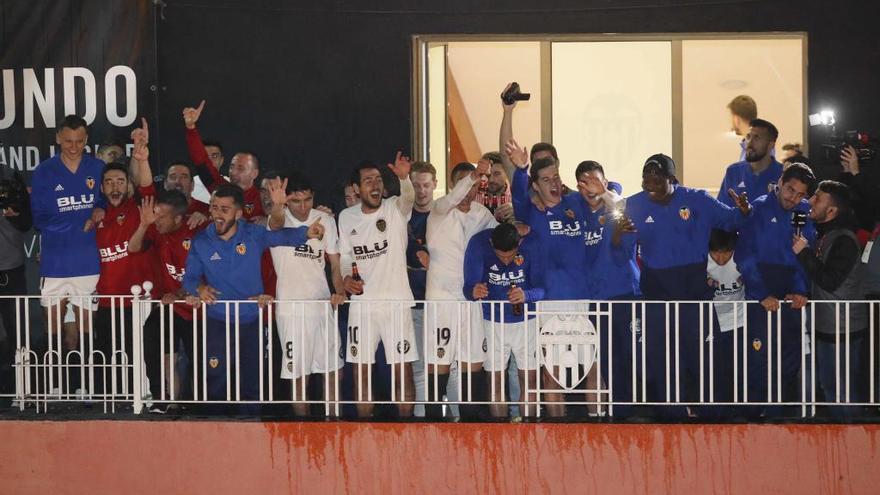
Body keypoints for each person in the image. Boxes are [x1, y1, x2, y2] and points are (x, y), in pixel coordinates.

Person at [612, 154, 750, 417]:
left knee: (703, 355)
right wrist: (618, 238)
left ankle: (713, 412)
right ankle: (670, 411)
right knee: (662, 357)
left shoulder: (696, 199)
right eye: (645, 177)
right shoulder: (632, 205)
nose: (648, 181)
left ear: (670, 178)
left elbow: (731, 221)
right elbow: (621, 256)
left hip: (693, 291)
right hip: (657, 292)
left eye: (655, 176)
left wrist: (744, 211)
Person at [181, 183, 323, 414]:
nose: (217, 214)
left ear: (238, 214)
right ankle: (215, 425)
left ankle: (251, 426)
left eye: (224, 209)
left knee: (253, 376)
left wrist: (306, 233)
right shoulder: (201, 241)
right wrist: (199, 288)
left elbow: (280, 237)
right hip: (217, 320)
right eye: (214, 207)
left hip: (251, 321)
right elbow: (189, 278)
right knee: (215, 374)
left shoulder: (252, 234)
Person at [505, 139, 589, 417]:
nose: (553, 184)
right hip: (548, 305)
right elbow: (518, 195)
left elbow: (609, 195)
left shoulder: (575, 202)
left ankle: (596, 425)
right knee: (552, 374)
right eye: (545, 180)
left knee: (589, 368)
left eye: (556, 177)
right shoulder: (532, 213)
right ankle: (558, 431)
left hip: (581, 301)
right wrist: (521, 169)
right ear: (536, 186)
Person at [30, 114, 106, 396]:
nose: (73, 147)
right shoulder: (44, 171)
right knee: (54, 327)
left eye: (79, 141)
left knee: (86, 329)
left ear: (86, 140)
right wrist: (78, 222)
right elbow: (39, 219)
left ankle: (85, 387)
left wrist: (101, 209)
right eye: (68, 141)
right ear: (58, 139)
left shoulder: (97, 167)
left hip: (88, 261)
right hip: (56, 262)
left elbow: (109, 199)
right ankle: (54, 386)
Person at [338, 154, 419, 418]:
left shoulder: (394, 207)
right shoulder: (347, 217)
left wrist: (405, 178)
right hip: (362, 306)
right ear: (356, 189)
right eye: (368, 181)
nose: (375, 185)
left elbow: (409, 199)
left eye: (378, 180)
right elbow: (346, 256)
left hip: (396, 302)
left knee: (401, 367)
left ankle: (406, 430)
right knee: (360, 368)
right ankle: (364, 431)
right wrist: (346, 279)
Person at [735, 162, 817, 416]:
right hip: (761, 297)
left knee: (789, 358)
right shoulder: (758, 208)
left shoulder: (804, 213)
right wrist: (761, 294)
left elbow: (805, 254)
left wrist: (800, 290)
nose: (793, 198)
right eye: (790, 190)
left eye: (800, 194)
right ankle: (755, 418)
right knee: (758, 357)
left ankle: (780, 415)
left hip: (791, 297)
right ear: (780, 182)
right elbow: (744, 256)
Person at [424, 160, 496, 418]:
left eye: (475, 185)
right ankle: (434, 425)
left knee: (472, 363)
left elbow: (498, 243)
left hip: (471, 301)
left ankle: (472, 426)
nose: (469, 191)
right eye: (466, 184)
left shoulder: (483, 214)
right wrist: (475, 175)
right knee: (439, 363)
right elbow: (451, 199)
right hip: (441, 300)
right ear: (454, 185)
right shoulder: (439, 209)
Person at [92, 119, 160, 395]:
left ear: (128, 186)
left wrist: (141, 157)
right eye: (109, 182)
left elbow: (146, 186)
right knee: (107, 363)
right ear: (101, 188)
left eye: (120, 181)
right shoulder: (96, 216)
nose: (115, 187)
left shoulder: (138, 209)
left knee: (143, 360)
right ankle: (111, 407)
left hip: (138, 303)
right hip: (107, 303)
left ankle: (149, 402)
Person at [269, 175, 345, 416]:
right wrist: (279, 205)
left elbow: (334, 263)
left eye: (308, 200)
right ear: (287, 201)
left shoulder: (326, 220)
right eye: (296, 201)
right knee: (298, 375)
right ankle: (303, 435)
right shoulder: (277, 220)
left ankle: (333, 430)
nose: (303, 207)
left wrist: (339, 291)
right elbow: (276, 222)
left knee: (333, 370)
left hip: (322, 305)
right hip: (291, 309)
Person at [793, 180, 867, 417]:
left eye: (818, 198)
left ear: (832, 211)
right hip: (829, 326)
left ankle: (850, 445)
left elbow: (830, 280)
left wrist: (803, 252)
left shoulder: (844, 239)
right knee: (830, 387)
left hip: (842, 329)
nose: (810, 202)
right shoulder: (828, 235)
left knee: (841, 392)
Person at [129, 190, 207, 413]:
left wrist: (181, 294)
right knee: (153, 338)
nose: (156, 220)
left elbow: (208, 274)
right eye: (155, 214)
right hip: (168, 307)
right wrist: (144, 224)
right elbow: (133, 249)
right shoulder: (156, 231)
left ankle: (195, 403)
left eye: (160, 216)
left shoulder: (198, 232)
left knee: (199, 360)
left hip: (196, 309)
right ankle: (162, 399)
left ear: (178, 218)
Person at [571, 160, 639, 416]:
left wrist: (606, 192)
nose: (590, 187)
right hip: (597, 298)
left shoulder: (617, 206)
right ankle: (621, 412)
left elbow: (625, 214)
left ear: (606, 181)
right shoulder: (576, 211)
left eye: (595, 181)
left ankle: (641, 409)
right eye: (584, 183)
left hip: (626, 293)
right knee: (609, 359)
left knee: (634, 355)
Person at [464, 222, 544, 418]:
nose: (507, 261)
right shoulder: (478, 243)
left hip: (527, 321)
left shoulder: (532, 244)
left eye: (512, 255)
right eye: (501, 256)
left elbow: (542, 288)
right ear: (491, 244)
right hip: (492, 322)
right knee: (495, 381)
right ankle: (499, 432)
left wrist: (527, 295)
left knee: (530, 380)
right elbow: (468, 287)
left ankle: (529, 431)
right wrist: (474, 291)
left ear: (520, 243)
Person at [182, 100, 265, 222]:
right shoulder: (219, 187)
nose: (233, 172)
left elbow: (281, 219)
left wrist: (268, 219)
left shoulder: (262, 197)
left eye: (240, 168)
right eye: (231, 167)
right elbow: (201, 162)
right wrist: (191, 128)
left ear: (255, 173)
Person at [406, 161, 436, 417]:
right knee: (418, 366)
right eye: (416, 185)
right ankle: (420, 420)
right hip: (413, 301)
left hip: (442, 303)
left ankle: (453, 419)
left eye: (426, 185)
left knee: (449, 365)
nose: (422, 190)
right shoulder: (402, 215)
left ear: (435, 185)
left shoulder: (446, 213)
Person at [705, 228, 745, 414]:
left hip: (739, 320)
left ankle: (740, 409)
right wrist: (703, 284)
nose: (721, 259)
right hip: (713, 324)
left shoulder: (742, 260)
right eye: (716, 254)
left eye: (726, 253)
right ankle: (715, 409)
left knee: (739, 367)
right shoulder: (702, 262)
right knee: (714, 369)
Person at [0, 165, 32, 395]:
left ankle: (20, 391)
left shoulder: (11, 177)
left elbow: (28, 222)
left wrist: (15, 214)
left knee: (17, 333)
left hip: (10, 267)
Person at [718, 119, 783, 208]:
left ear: (771, 145)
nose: (749, 143)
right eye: (748, 137)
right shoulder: (733, 172)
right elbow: (721, 211)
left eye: (756, 138)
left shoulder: (783, 175)